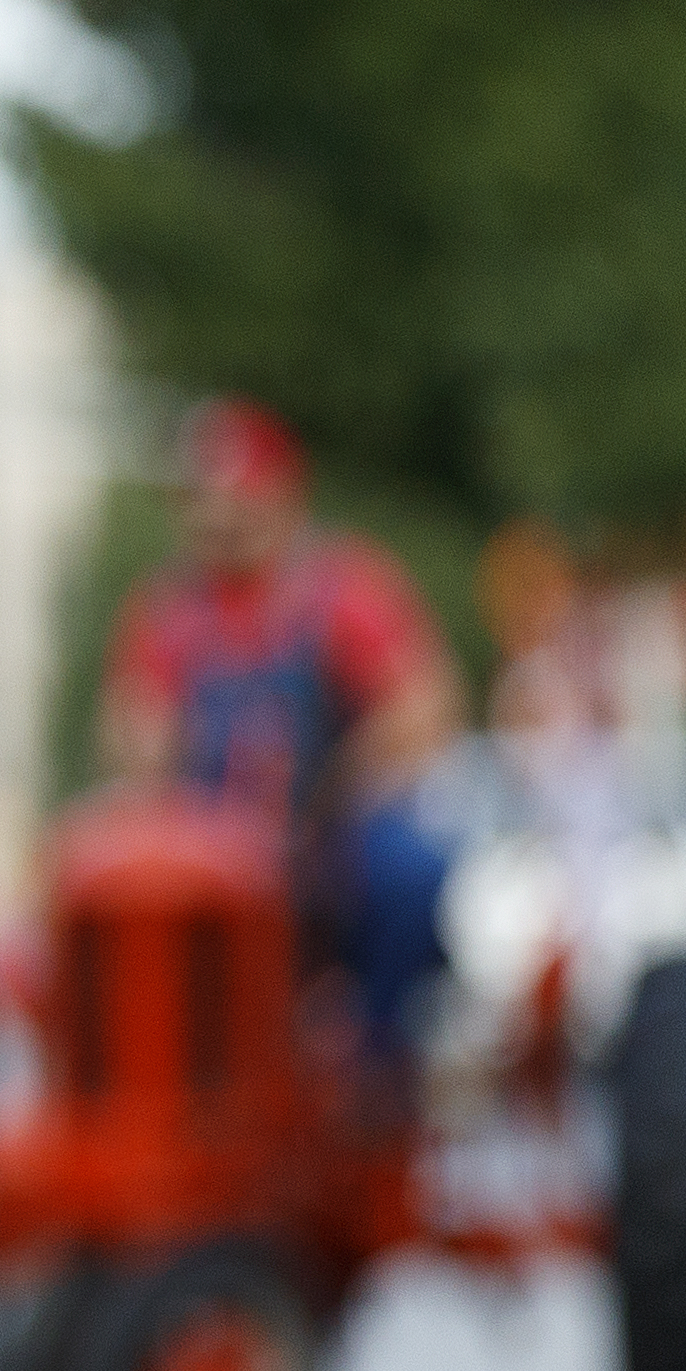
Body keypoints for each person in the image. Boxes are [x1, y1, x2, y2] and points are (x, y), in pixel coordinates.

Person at [99, 397, 464, 1055]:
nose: (215, 514)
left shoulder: (337, 588)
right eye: (200, 497)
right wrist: (153, 766)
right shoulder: (169, 611)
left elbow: (421, 700)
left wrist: (341, 782)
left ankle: (372, 1064)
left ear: (279, 494)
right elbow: (134, 723)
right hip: (211, 847)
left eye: (233, 494)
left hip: (325, 837)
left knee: (408, 875)